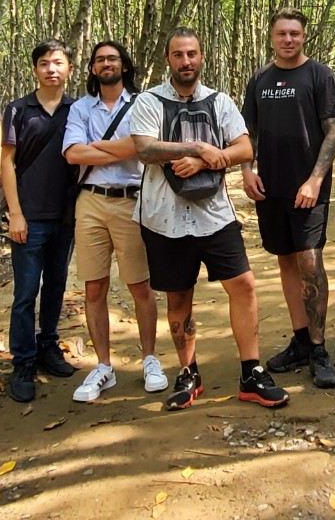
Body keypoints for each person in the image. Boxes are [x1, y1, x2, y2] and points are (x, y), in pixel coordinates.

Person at [130, 28, 289, 410]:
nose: (186, 61)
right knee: (179, 295)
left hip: (214, 215)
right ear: (168, 59)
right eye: (179, 54)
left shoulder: (220, 102)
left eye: (192, 54)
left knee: (244, 285)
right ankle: (188, 373)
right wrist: (198, 146)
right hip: (162, 217)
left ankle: (251, 371)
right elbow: (145, 147)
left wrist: (203, 160)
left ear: (202, 57)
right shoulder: (149, 101)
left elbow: (244, 146)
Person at [241, 8, 335, 389]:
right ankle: (300, 339)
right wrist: (247, 171)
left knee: (309, 260)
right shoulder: (259, 79)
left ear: (304, 37)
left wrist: (315, 180)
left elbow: (332, 131)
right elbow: (248, 133)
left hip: (308, 187)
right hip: (270, 188)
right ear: (272, 36)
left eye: (295, 34)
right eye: (282, 33)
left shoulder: (320, 75)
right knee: (285, 259)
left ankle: (319, 348)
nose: (289, 39)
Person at [62, 41, 166, 402]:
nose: (107, 64)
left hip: (131, 201)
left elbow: (141, 148)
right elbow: (73, 154)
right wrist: (120, 148)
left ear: (125, 65)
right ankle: (103, 365)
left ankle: (150, 358)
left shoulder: (142, 104)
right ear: (92, 68)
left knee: (140, 285)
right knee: (94, 288)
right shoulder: (79, 107)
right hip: (89, 202)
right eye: (100, 60)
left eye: (113, 58)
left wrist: (101, 147)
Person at [0, 40, 79, 402]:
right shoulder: (18, 109)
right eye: (44, 63)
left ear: (69, 69)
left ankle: (48, 346)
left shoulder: (78, 110)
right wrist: (15, 212)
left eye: (58, 63)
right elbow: (7, 162)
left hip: (66, 215)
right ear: (35, 69)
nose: (51, 69)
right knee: (25, 292)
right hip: (29, 217)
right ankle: (23, 362)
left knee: (56, 286)